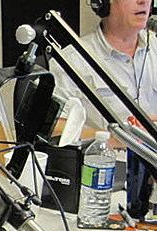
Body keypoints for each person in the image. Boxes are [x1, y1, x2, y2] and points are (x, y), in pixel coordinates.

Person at [51, 0, 157, 135]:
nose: (143, 2)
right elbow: (54, 127)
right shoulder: (73, 60)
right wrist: (111, 138)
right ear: (103, 3)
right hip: (107, 154)